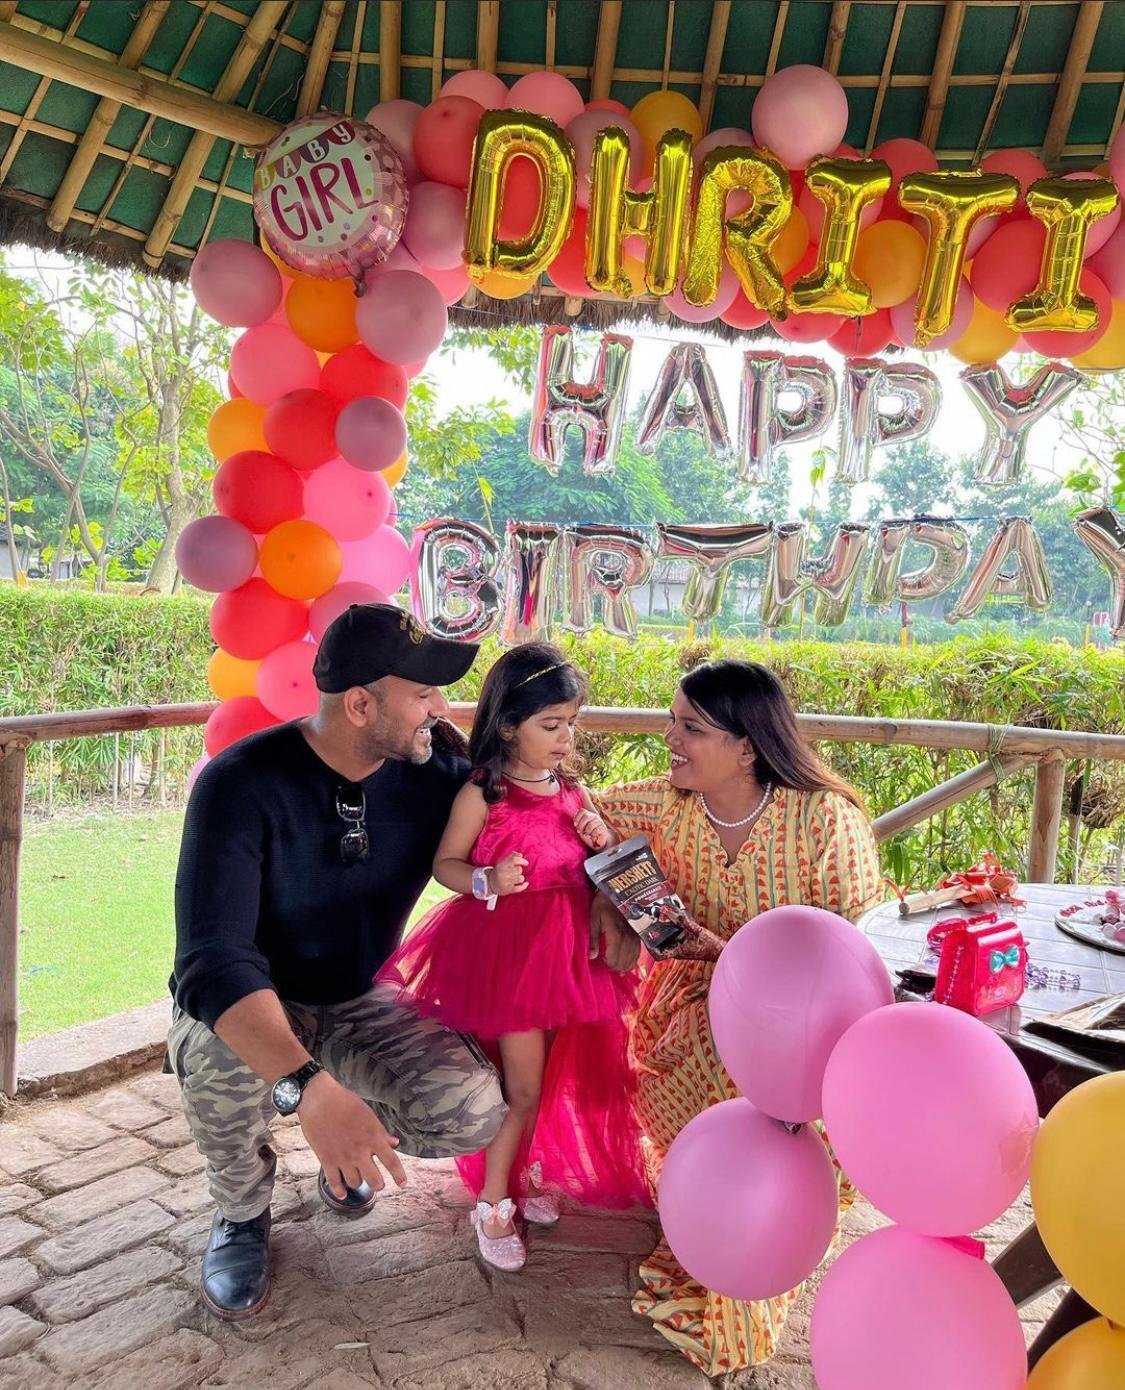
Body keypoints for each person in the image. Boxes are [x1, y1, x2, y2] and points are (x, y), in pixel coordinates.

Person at [169, 604, 509, 1320]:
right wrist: (307, 1088)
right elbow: (212, 960)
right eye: (422, 693)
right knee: (219, 1062)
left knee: (471, 1108)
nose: (440, 709)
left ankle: (345, 1146)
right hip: (257, 1000)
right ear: (359, 705)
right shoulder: (239, 783)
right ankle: (241, 1212)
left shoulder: (432, 776)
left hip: (357, 996)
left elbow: (537, 809)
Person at [593, 659, 883, 1376]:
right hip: (689, 1011)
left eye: (690, 728)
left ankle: (752, 1255)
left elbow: (851, 962)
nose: (669, 739)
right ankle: (722, 1216)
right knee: (706, 1091)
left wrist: (727, 954)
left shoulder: (824, 821)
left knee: (750, 1101)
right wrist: (606, 894)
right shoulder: (668, 806)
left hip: (805, 1030)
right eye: (671, 721)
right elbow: (573, 806)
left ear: (747, 746)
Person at [380, 643, 649, 1271]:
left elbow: (595, 862)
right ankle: (493, 1203)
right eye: (550, 725)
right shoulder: (486, 792)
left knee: (548, 1081)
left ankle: (524, 1175)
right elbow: (446, 863)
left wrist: (601, 837)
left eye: (571, 724)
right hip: (510, 960)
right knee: (521, 1089)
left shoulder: (572, 790)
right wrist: (486, 879)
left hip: (566, 959)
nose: (566, 739)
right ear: (507, 726)